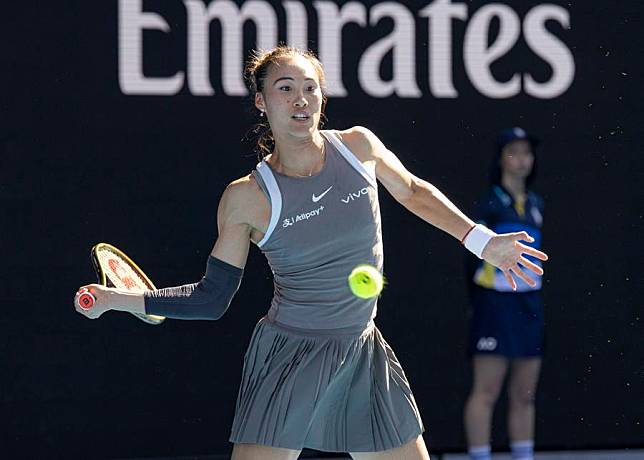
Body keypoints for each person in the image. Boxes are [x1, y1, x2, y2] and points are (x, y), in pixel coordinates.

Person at [74, 47, 548, 460]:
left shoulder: (358, 146)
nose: (300, 99)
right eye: (285, 88)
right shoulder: (247, 198)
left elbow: (413, 192)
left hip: (362, 347)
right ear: (261, 102)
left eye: (310, 88)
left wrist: (483, 242)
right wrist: (119, 300)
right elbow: (212, 298)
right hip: (290, 356)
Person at [463, 128, 545, 460]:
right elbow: (471, 262)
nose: (522, 159)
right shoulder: (488, 203)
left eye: (527, 152)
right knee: (487, 391)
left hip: (530, 306)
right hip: (494, 306)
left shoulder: (537, 204)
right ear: (500, 159)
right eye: (513, 152)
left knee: (525, 394)